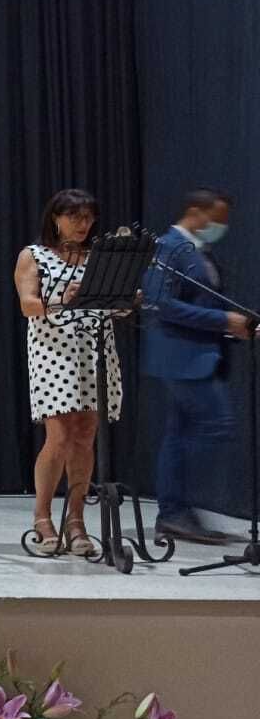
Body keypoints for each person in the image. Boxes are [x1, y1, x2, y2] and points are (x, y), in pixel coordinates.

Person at [12, 189, 121, 555]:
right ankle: (42, 517)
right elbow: (28, 305)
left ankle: (76, 520)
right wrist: (62, 299)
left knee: (85, 434)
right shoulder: (34, 255)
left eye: (88, 217)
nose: (82, 224)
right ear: (55, 218)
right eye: (75, 217)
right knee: (58, 435)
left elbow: (114, 306)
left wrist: (124, 298)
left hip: (93, 350)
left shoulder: (99, 257)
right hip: (52, 350)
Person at [142, 188, 252, 545]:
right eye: (217, 218)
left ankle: (174, 512)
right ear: (195, 211)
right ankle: (175, 507)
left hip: (197, 357)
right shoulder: (169, 247)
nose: (222, 225)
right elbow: (161, 304)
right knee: (216, 426)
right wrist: (223, 320)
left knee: (179, 435)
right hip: (181, 357)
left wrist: (236, 327)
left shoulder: (200, 252)